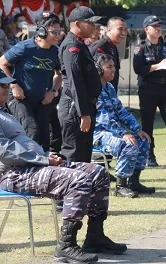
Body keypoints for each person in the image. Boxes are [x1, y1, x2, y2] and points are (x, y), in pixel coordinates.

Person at [0, 76, 126, 264]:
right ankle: (66, 245)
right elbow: (5, 150)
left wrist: (45, 156)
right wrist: (43, 159)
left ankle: (95, 236)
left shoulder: (4, 112)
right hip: (13, 173)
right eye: (1, 86)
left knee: (97, 172)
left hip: (31, 165)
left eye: (5, 85)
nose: (6, 88)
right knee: (77, 179)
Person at [94, 54, 155, 197]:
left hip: (114, 131)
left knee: (143, 140)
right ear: (99, 69)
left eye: (113, 66)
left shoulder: (109, 87)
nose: (113, 70)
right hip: (98, 134)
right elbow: (104, 118)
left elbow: (121, 111)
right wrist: (122, 133)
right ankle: (121, 186)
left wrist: (137, 130)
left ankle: (134, 182)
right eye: (109, 67)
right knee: (128, 144)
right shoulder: (94, 88)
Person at [0, 11, 62, 152]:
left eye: (59, 31)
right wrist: (14, 84)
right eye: (54, 32)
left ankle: (44, 169)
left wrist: (53, 91)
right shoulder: (25, 47)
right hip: (20, 99)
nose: (58, 35)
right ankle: (28, 170)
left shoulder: (55, 51)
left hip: (41, 100)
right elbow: (1, 63)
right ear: (41, 31)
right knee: (32, 131)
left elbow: (59, 74)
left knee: (45, 137)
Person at [133, 15, 166, 167]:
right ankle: (149, 156)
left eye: (159, 25)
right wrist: (157, 66)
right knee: (147, 123)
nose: (158, 28)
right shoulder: (141, 48)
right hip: (148, 89)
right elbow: (138, 68)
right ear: (147, 29)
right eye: (154, 26)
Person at [58, 6, 102, 162]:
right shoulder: (72, 46)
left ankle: (82, 186)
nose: (93, 26)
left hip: (82, 106)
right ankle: (71, 187)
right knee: (74, 154)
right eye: (89, 22)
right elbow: (75, 81)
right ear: (77, 23)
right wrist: (83, 112)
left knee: (84, 155)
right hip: (74, 109)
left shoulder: (80, 44)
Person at [90, 17, 127, 92]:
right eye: (120, 29)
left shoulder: (113, 47)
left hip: (110, 91)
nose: (123, 33)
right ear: (109, 29)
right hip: (100, 93)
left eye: (125, 30)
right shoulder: (100, 46)